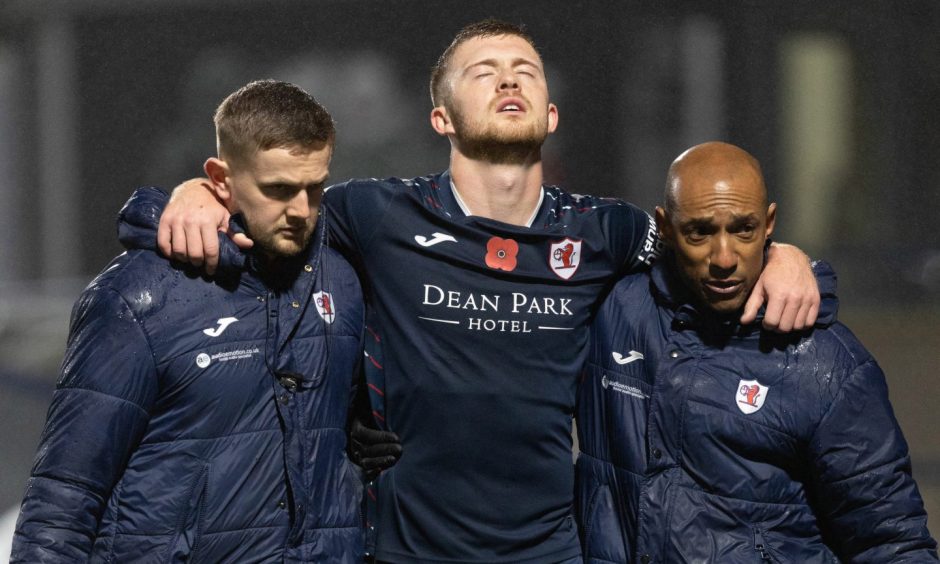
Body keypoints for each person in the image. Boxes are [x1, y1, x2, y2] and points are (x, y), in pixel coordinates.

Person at [133, 21, 821, 563]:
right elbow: (265, 213)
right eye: (482, 73)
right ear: (442, 118)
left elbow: (717, 257)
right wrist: (191, 197)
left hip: (555, 552)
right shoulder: (378, 216)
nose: (507, 79)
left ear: (550, 115)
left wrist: (793, 262)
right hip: (402, 552)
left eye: (525, 71)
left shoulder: (605, 231)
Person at [11, 80, 366, 562]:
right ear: (220, 179)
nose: (302, 210)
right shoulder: (139, 297)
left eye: (315, 186)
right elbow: (65, 497)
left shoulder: (343, 279)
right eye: (278, 189)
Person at [575, 141, 938, 563]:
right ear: (666, 227)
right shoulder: (612, 311)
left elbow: (892, 544)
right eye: (700, 232)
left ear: (769, 224)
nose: (724, 257)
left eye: (743, 229)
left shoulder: (829, 366)